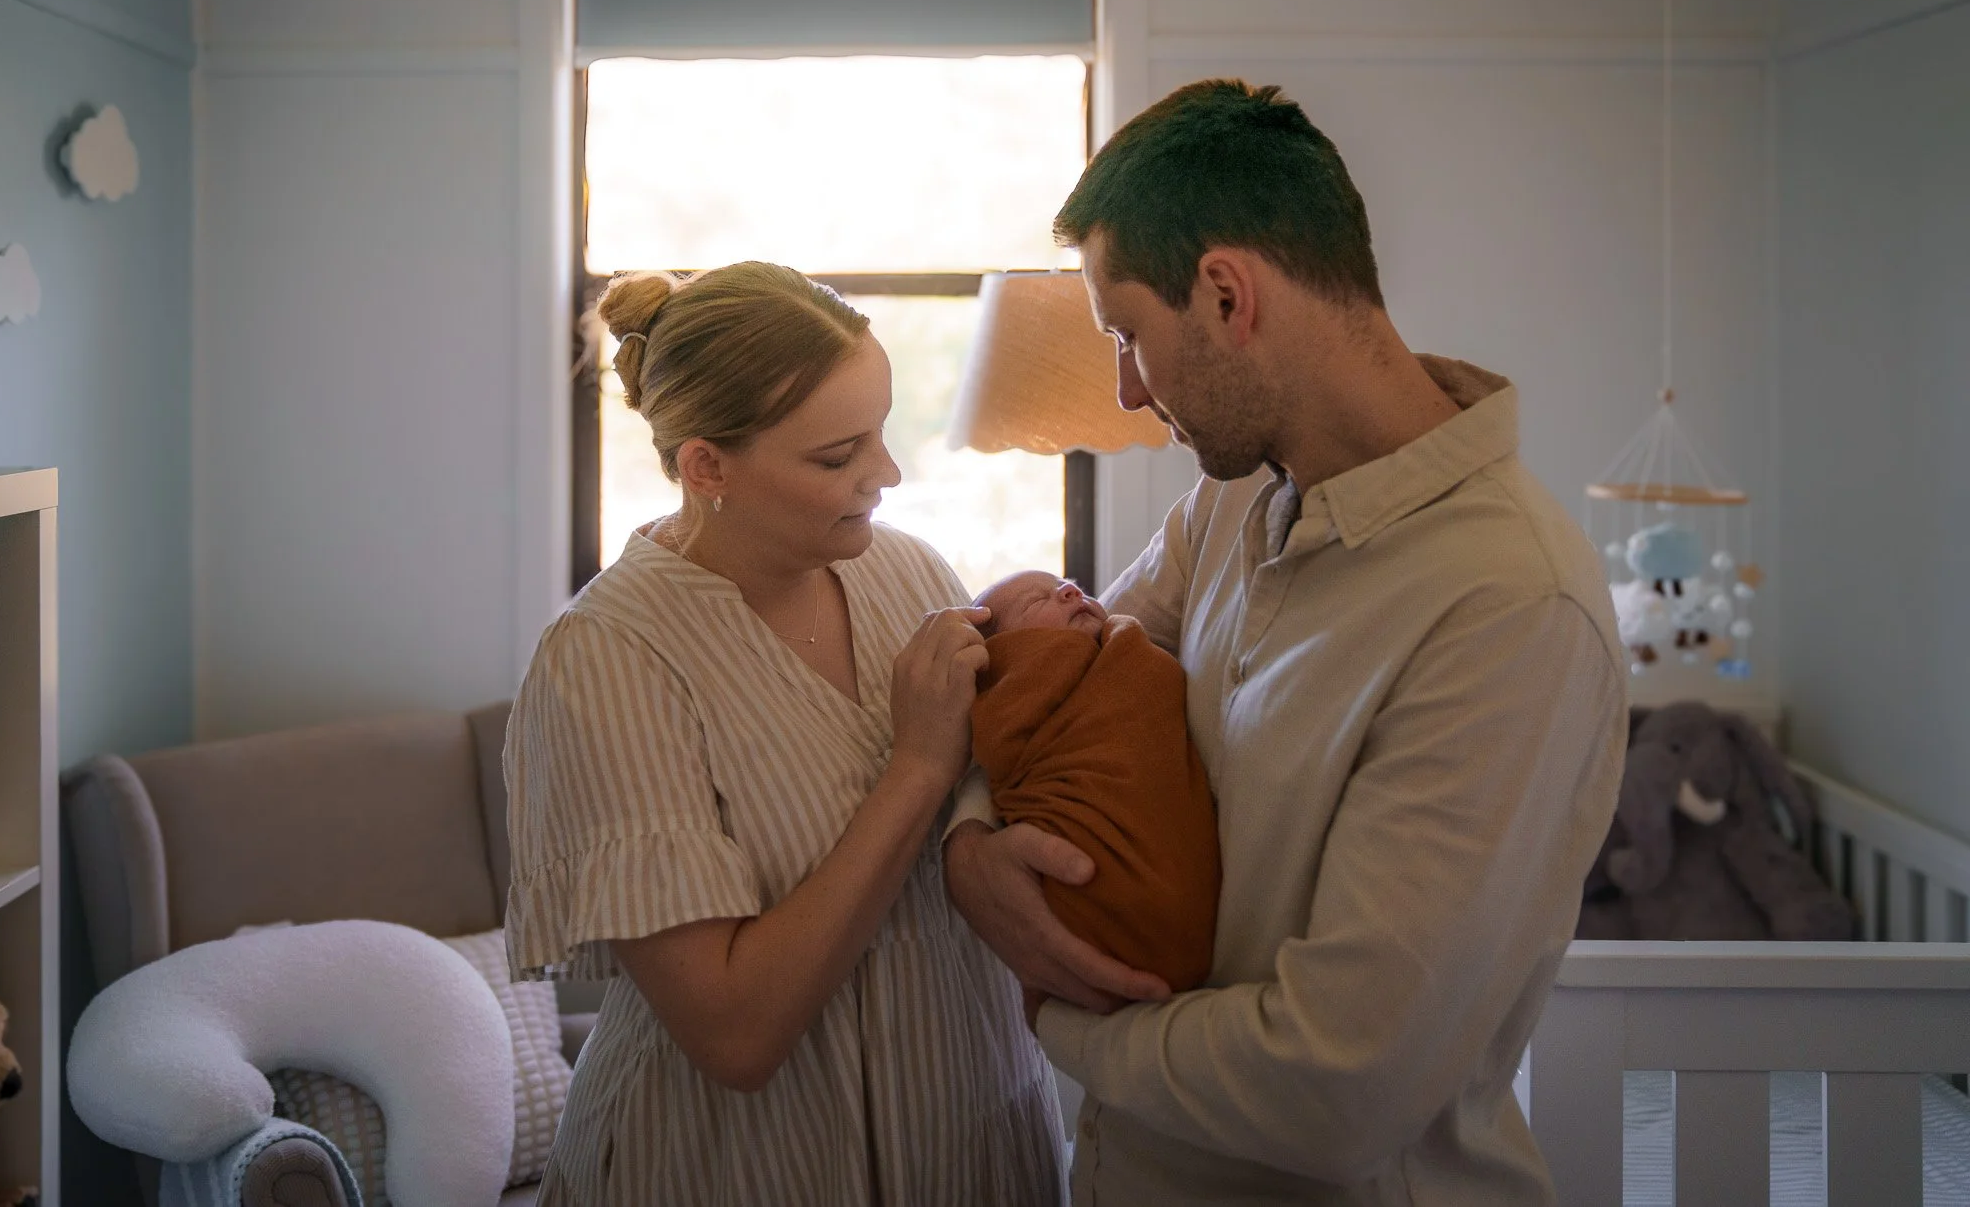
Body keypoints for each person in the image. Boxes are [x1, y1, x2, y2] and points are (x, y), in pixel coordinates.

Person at [944, 81, 1629, 1205]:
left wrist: (1070, 1030)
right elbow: (1045, 682)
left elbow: (1337, 1085)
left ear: (1224, 295)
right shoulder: (1228, 510)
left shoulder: (1507, 605)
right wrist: (969, 854)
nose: (1126, 390)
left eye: (1128, 337)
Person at [505, 262, 1066, 1206]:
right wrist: (919, 766)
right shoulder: (607, 659)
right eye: (836, 456)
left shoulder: (913, 577)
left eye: (880, 435)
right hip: (728, 1166)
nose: (884, 476)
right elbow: (734, 1034)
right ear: (706, 466)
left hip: (970, 1136)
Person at [968, 570, 1219, 991]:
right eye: (1037, 601)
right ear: (1005, 655)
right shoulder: (1013, 691)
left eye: (1072, 587)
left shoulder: (1120, 656)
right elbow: (995, 739)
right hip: (1089, 873)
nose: (1071, 591)